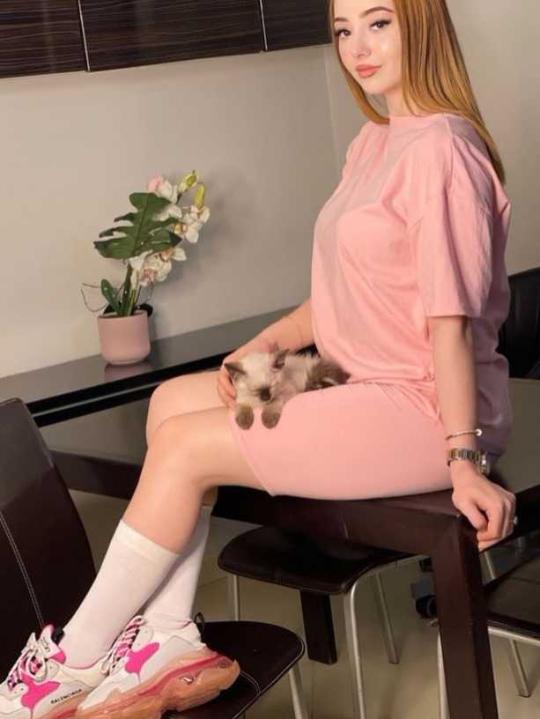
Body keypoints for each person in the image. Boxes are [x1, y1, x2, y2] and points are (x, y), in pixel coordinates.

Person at [1, 0, 518, 717]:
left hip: (425, 403)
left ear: (421, 24)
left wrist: (463, 457)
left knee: (187, 447)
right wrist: (259, 352)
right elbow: (337, 298)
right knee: (172, 402)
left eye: (379, 23)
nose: (358, 48)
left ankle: (74, 658)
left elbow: (449, 321)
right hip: (354, 377)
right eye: (343, 31)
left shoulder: (444, 150)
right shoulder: (373, 144)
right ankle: (168, 633)